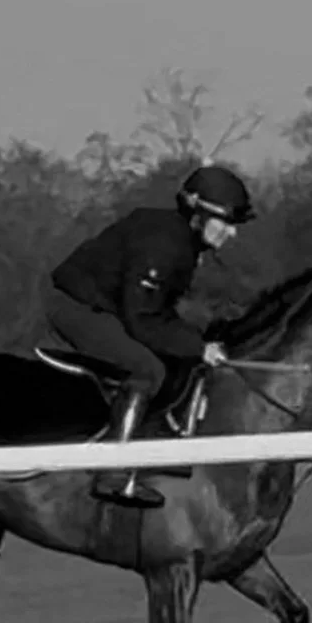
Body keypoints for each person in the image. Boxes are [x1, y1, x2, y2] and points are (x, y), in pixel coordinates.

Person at [44, 163, 255, 507]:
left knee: (174, 354)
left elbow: (155, 312)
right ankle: (113, 473)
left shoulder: (182, 241)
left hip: (106, 306)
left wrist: (193, 342)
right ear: (198, 214)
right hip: (75, 307)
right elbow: (142, 318)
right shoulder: (164, 244)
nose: (232, 234)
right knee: (147, 370)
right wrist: (197, 348)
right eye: (227, 222)